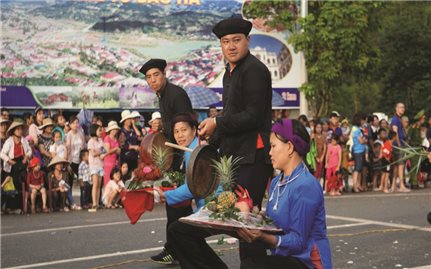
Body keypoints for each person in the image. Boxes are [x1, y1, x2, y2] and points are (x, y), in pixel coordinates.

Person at [167, 119, 332, 269]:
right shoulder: (277, 182)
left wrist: (262, 236)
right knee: (179, 230)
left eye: (273, 146)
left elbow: (298, 242)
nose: (269, 152)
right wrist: (253, 215)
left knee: (251, 264)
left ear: (289, 147)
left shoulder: (305, 185)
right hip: (283, 255)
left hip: (306, 262)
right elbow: (276, 222)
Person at [197, 17, 273, 263]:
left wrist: (217, 123)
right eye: (225, 42)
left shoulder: (255, 70)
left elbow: (252, 116)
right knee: (239, 223)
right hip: (234, 156)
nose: (230, 46)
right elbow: (229, 115)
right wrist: (210, 141)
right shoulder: (229, 73)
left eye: (236, 40)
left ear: (248, 41)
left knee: (246, 221)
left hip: (253, 157)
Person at [150, 113, 205, 265]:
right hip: (204, 206)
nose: (180, 135)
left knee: (178, 231)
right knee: (183, 231)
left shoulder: (197, 151)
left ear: (194, 130)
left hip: (212, 207)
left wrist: (166, 195)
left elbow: (193, 188)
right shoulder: (191, 149)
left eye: (184, 130)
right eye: (176, 131)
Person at [139, 58, 193, 141]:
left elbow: (186, 125)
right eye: (148, 77)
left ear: (164, 74)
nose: (153, 80)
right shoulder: (161, 94)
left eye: (156, 75)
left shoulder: (177, 94)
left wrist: (163, 125)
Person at [1, 121, 32, 212]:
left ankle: (22, 206)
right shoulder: (9, 141)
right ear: (13, 131)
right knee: (14, 183)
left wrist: (26, 157)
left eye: (20, 129)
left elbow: (29, 151)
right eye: (17, 129)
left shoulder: (24, 140)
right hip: (12, 165)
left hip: (21, 162)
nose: (19, 131)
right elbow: (2, 153)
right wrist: (9, 161)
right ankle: (10, 207)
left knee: (23, 181)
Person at [390, 102, 410, 192]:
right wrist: (399, 145)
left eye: (403, 107)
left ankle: (394, 185)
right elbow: (395, 133)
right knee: (401, 165)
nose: (403, 109)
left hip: (401, 144)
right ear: (396, 108)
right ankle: (401, 186)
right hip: (398, 146)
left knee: (397, 166)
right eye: (401, 107)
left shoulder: (399, 119)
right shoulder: (395, 119)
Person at [87, 124, 106, 212]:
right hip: (94, 165)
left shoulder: (101, 140)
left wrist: (99, 152)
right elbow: (93, 153)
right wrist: (100, 151)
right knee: (95, 184)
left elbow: (104, 150)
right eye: (99, 130)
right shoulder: (91, 141)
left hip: (100, 164)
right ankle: (94, 203)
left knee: (99, 185)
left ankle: (97, 203)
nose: (101, 132)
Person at [407, 110, 425, 189]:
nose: (424, 120)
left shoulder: (419, 127)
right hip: (413, 148)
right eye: (423, 118)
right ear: (420, 119)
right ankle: (413, 183)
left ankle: (415, 181)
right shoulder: (413, 127)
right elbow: (408, 138)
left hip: (419, 148)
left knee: (418, 166)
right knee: (414, 166)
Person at [351, 114, 367, 192]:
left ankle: (358, 184)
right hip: (358, 150)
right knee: (357, 168)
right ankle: (355, 185)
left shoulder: (357, 129)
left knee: (359, 168)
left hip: (360, 150)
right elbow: (361, 140)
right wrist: (364, 140)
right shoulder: (356, 129)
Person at [103, 121, 121, 188]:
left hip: (116, 162)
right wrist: (116, 148)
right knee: (108, 181)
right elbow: (107, 151)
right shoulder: (107, 138)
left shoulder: (116, 139)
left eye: (115, 129)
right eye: (113, 129)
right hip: (108, 162)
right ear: (110, 130)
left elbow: (118, 150)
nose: (114, 131)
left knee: (115, 180)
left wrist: (118, 150)